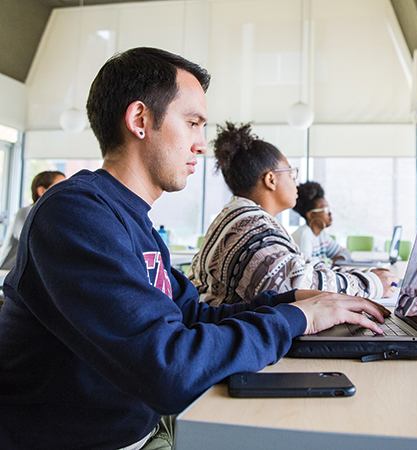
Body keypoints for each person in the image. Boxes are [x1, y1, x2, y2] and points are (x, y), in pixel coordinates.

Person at [0, 47, 391, 450]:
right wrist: (296, 319)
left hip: (142, 429)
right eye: (191, 123)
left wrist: (295, 300)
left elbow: (190, 316)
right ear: (140, 120)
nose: (201, 145)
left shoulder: (133, 219)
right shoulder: (75, 214)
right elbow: (170, 369)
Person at [188, 122, 398, 306]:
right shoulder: (249, 225)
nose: (295, 181)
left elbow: (303, 265)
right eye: (290, 173)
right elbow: (292, 285)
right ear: (271, 179)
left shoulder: (246, 217)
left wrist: (360, 276)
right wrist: (372, 284)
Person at [0, 171, 66, 270]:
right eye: (60, 186)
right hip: (5, 274)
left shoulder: (48, 214)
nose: (66, 191)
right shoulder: (26, 212)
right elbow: (38, 242)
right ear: (42, 191)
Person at [292, 181, 350, 263]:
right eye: (325, 209)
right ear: (311, 215)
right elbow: (305, 270)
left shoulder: (322, 236)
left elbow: (345, 252)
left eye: (329, 209)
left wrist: (338, 261)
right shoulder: (305, 235)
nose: (330, 213)